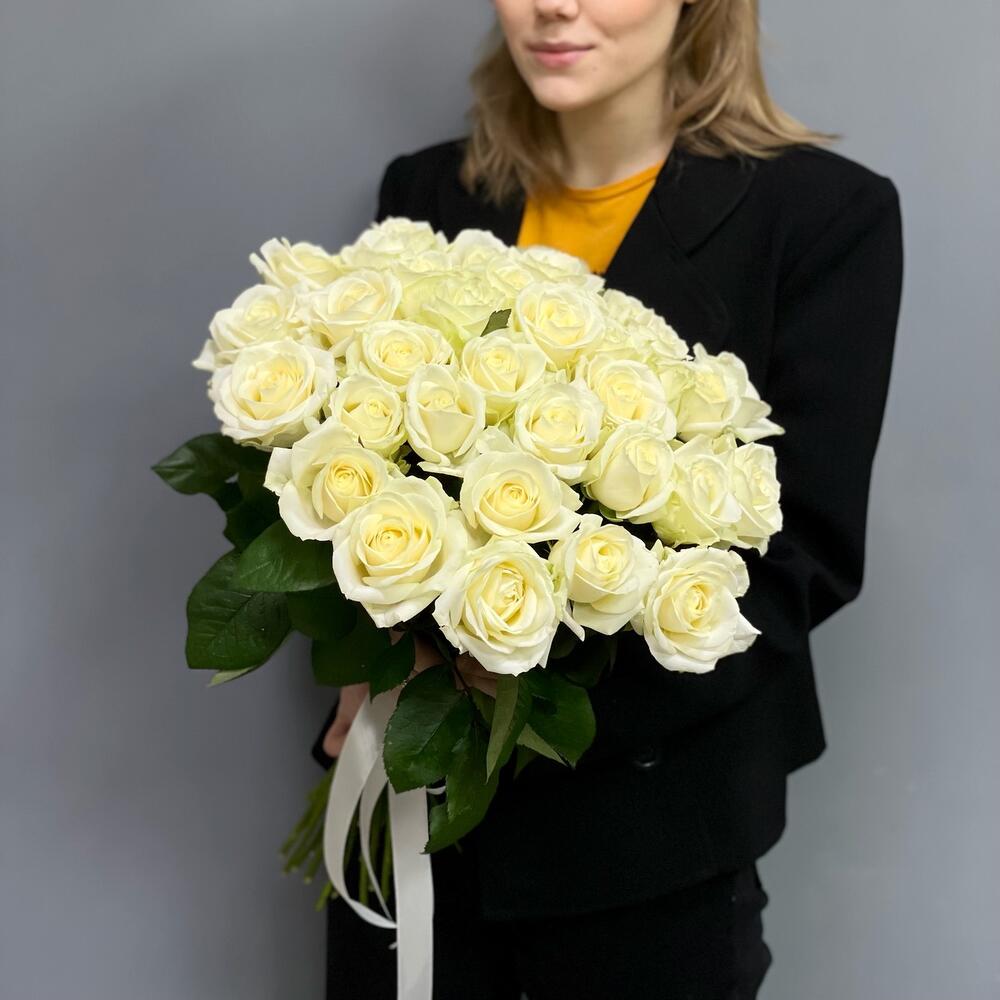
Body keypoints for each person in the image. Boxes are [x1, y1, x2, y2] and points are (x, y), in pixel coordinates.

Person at [312, 0, 904, 997]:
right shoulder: (430, 191)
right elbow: (354, 477)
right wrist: (369, 666)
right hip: (414, 808)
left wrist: (497, 682)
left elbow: (802, 555)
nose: (555, 5)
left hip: (647, 837)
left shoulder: (819, 214)